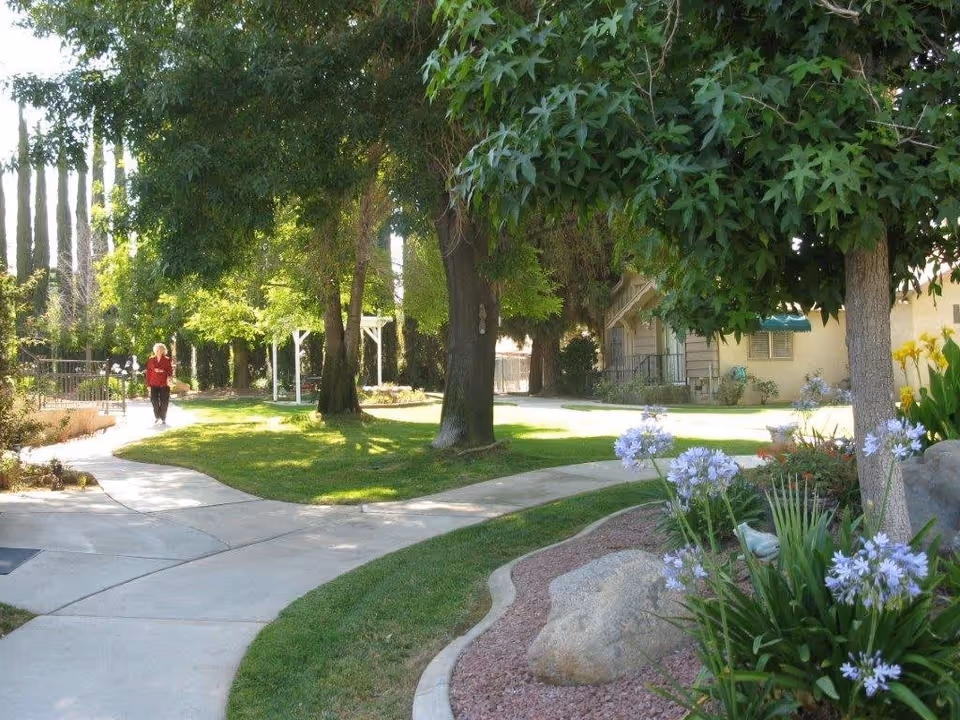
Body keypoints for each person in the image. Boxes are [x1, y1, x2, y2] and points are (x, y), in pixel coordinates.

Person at [146, 342, 174, 425]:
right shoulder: (151, 359)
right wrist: (148, 385)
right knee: (154, 400)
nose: (159, 351)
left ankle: (163, 418)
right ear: (155, 350)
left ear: (163, 351)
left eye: (161, 349)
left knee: (164, 401)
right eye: (157, 349)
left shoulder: (167, 359)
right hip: (153, 383)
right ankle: (157, 416)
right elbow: (148, 373)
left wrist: (163, 371)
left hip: (164, 383)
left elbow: (170, 371)